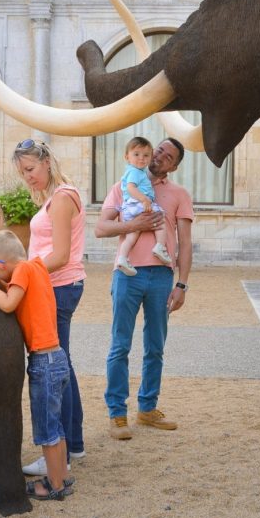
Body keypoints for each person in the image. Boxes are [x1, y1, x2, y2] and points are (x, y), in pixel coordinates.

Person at [95, 137, 194, 440]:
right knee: (120, 345)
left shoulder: (179, 194)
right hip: (127, 275)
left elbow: (186, 243)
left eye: (168, 156)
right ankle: (117, 414)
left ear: (174, 166)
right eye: (159, 150)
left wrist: (182, 284)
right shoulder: (123, 185)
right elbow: (101, 228)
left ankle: (147, 408)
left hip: (162, 277)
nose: (160, 156)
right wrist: (134, 225)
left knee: (155, 347)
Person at [0, 230, 73, 501]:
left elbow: (7, 303)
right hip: (57, 357)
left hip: (43, 362)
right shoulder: (36, 266)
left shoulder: (23, 271)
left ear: (1, 265)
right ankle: (62, 476)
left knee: (47, 429)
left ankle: (54, 486)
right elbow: (15, 294)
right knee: (57, 426)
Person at [12, 138, 86, 476]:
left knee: (53, 370)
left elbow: (60, 256)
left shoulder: (62, 197)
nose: (27, 177)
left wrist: (21, 271)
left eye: (30, 169)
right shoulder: (57, 197)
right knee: (63, 367)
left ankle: (62, 452)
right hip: (55, 287)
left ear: (46, 161)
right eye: (22, 172)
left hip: (57, 288)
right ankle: (74, 444)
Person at [115, 135, 172, 276]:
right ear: (126, 157)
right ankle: (160, 246)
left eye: (146, 155)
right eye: (136, 154)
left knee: (132, 236)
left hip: (130, 208)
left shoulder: (135, 171)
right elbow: (131, 188)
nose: (141, 158)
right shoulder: (135, 172)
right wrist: (145, 200)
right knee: (160, 219)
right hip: (138, 204)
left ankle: (122, 258)